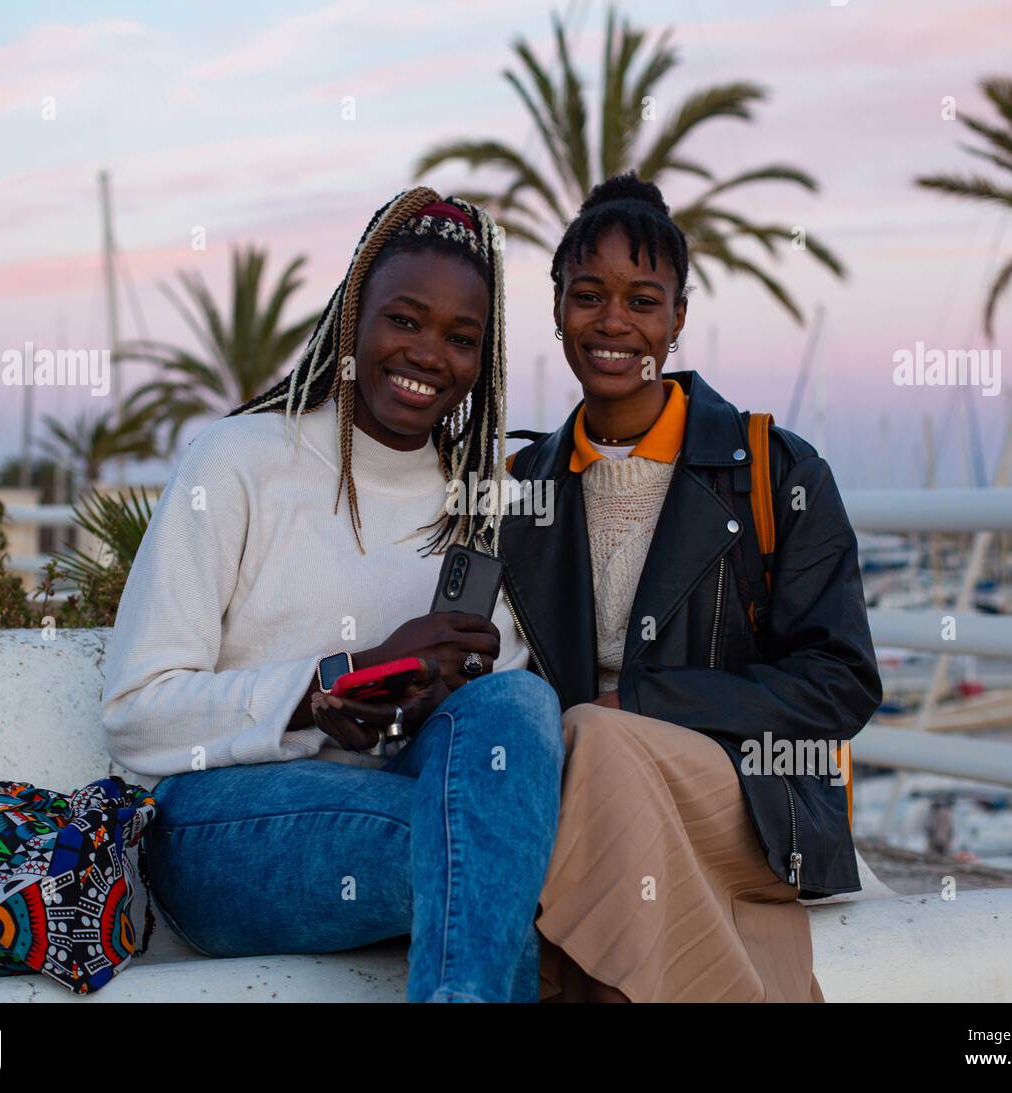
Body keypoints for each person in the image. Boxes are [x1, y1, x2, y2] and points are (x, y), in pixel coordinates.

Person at [101, 188, 563, 1003]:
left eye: (462, 338)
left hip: (399, 806)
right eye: (406, 319)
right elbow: (136, 712)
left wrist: (428, 688)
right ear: (354, 317)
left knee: (517, 709)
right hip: (224, 830)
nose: (429, 354)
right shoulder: (239, 461)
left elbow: (499, 749)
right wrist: (325, 688)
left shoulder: (479, 499)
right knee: (486, 856)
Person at [501, 172, 883, 1002]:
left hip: (754, 798)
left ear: (677, 319)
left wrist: (641, 705)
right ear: (557, 306)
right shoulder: (520, 484)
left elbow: (841, 682)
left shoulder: (775, 471)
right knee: (579, 755)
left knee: (597, 743)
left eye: (643, 300)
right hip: (577, 784)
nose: (613, 322)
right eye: (587, 295)